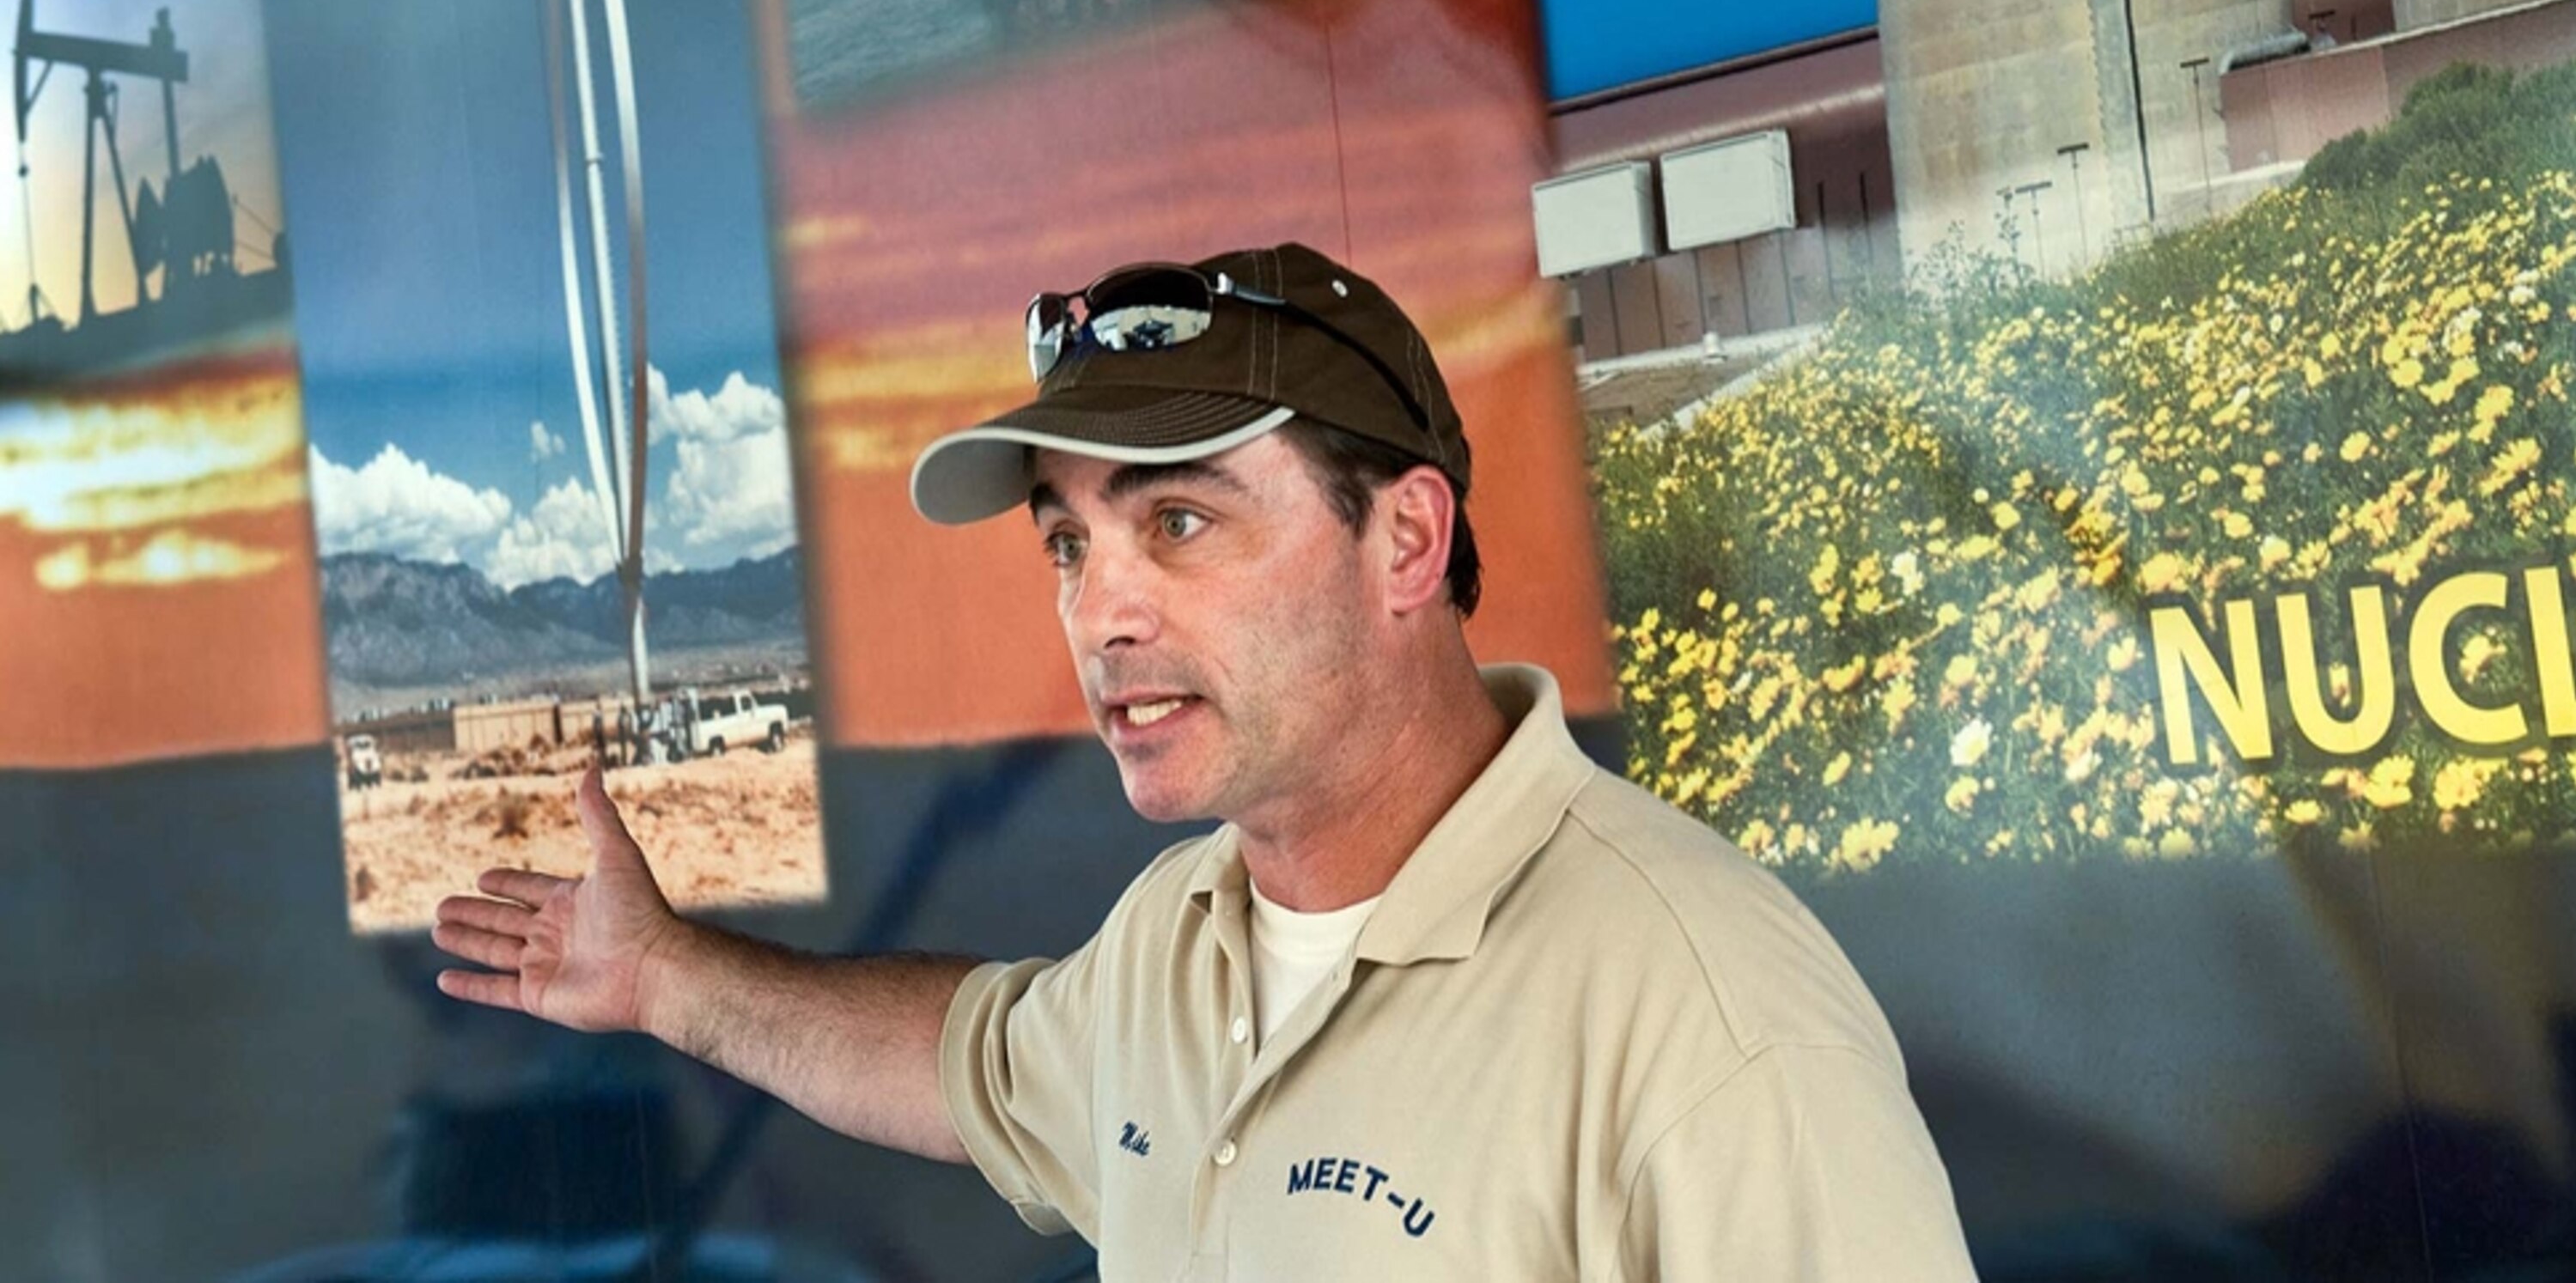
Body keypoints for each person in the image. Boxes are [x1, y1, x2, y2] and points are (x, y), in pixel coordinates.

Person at [433, 242, 1976, 1278]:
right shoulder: (1173, 949)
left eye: (1178, 520)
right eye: (1066, 541)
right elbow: (964, 1064)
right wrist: (664, 979)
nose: (1100, 610)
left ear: (1407, 536)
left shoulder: (1707, 1019)